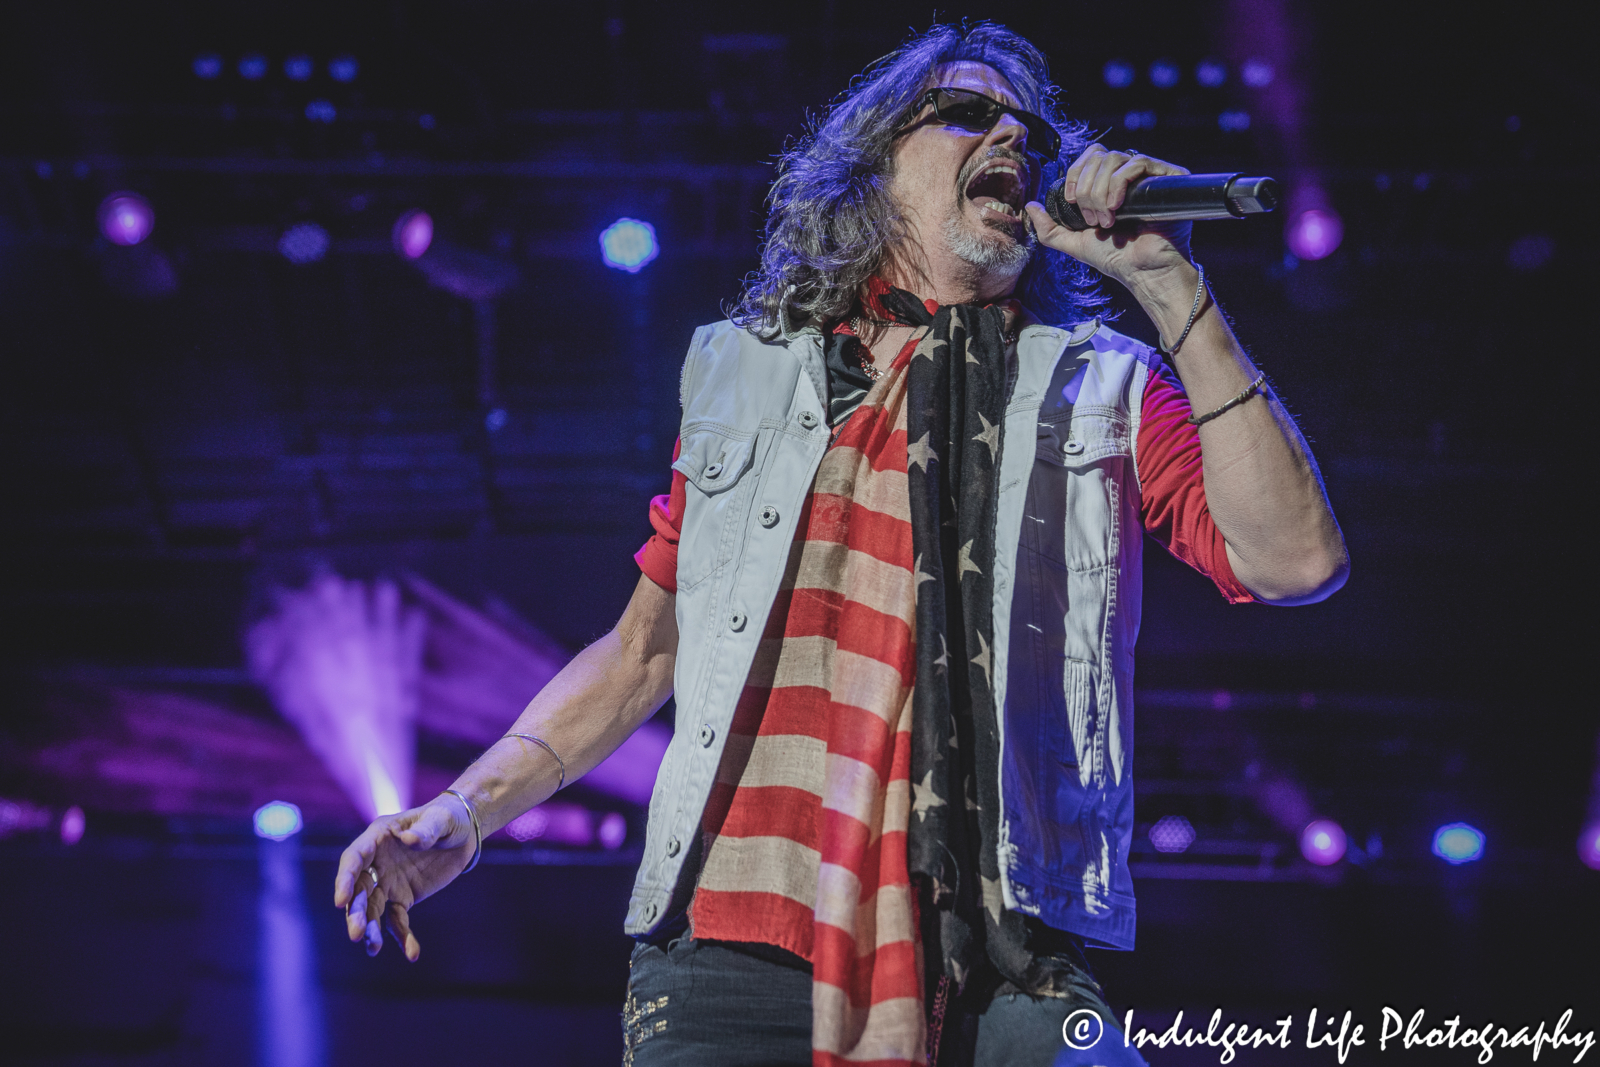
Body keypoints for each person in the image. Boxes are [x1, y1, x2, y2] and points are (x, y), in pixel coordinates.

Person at [334, 22, 1347, 1067]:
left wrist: (1173, 289)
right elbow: (642, 652)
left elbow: (1294, 561)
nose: (1009, 133)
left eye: (1029, 130)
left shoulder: (1099, 386)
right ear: (872, 169)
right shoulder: (749, 379)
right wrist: (465, 807)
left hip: (1006, 942)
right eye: (965, 113)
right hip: (733, 939)